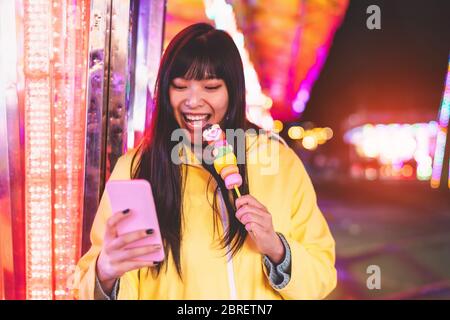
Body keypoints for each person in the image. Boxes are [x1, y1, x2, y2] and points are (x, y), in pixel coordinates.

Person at [74, 23, 336, 300]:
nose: (193, 101)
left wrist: (277, 249)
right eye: (180, 87)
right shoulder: (136, 169)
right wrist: (105, 273)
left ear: (233, 92)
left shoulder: (279, 161)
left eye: (211, 87)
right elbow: (100, 286)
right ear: (165, 92)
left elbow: (321, 275)